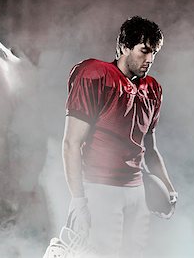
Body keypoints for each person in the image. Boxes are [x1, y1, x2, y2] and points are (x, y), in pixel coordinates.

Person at [62, 16, 178, 258]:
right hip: (101, 187)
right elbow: (72, 142)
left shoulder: (153, 89)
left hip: (136, 190)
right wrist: (78, 200)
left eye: (154, 53)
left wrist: (169, 188)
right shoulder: (95, 74)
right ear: (125, 46)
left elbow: (151, 149)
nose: (150, 60)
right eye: (144, 51)